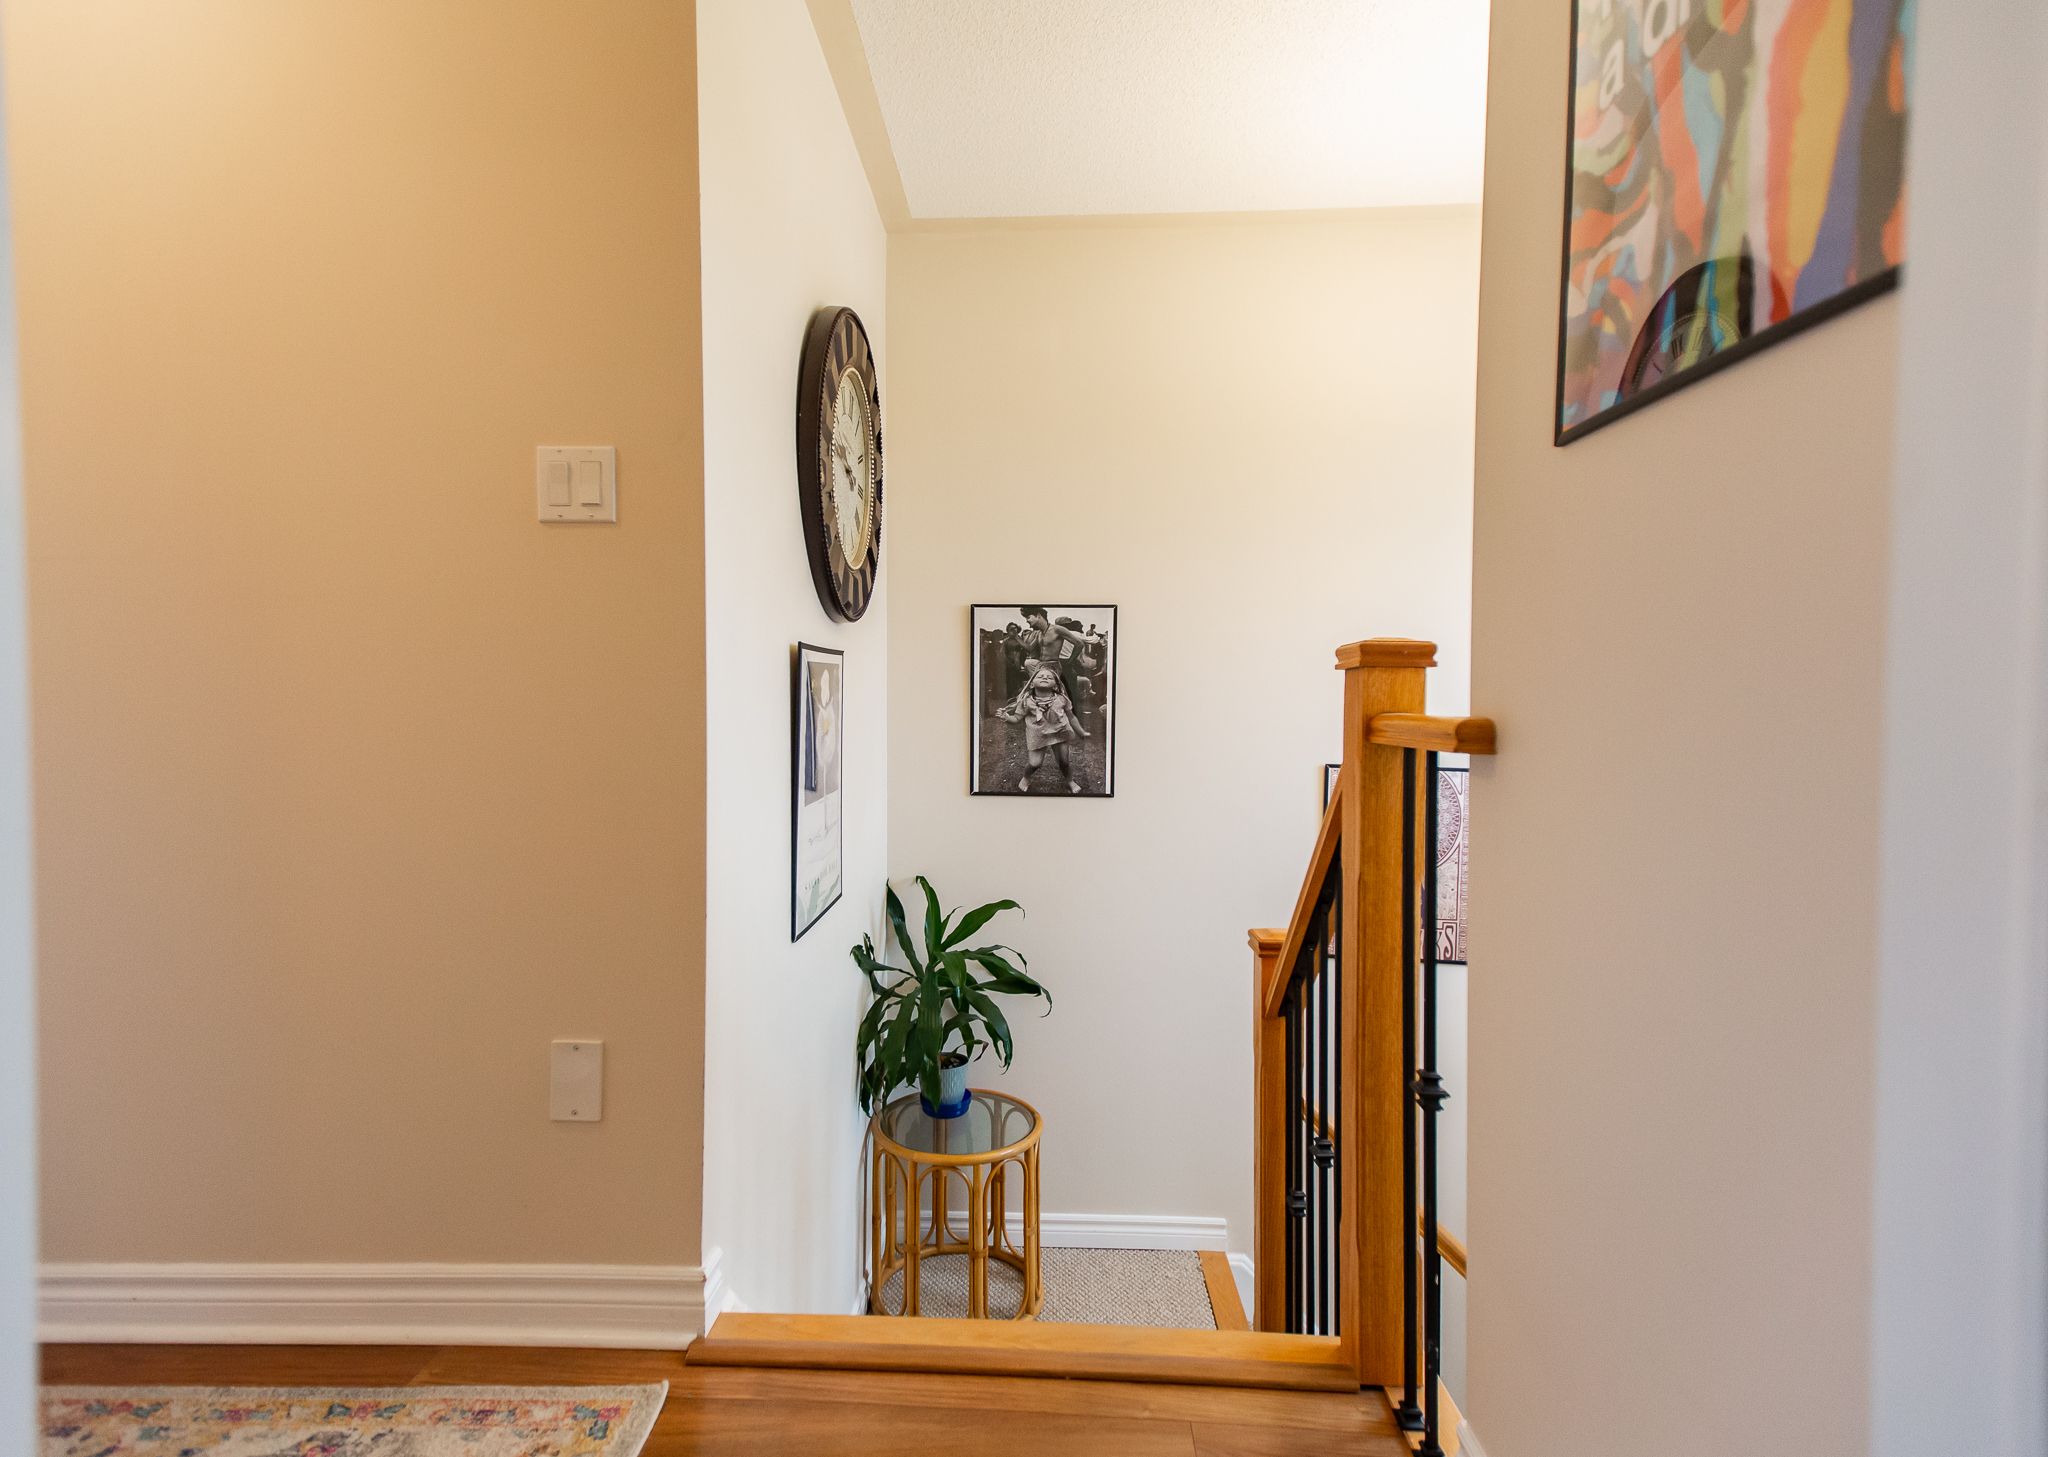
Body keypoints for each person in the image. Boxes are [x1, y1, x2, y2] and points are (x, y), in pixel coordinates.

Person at [996, 662, 1090, 794]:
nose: (1045, 677)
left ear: (1055, 685)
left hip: (1060, 732)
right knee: (1035, 763)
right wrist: (1006, 717)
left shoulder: (1062, 699)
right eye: (1040, 676)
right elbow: (1016, 718)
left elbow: (1071, 717)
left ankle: (1069, 781)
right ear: (1032, 684)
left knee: (1064, 762)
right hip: (1038, 735)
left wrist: (1081, 732)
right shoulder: (1027, 701)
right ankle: (1026, 777)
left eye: (1049, 677)